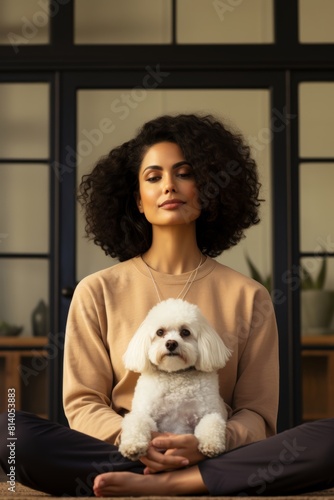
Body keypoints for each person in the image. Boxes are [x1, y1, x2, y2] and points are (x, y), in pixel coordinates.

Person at [0, 113, 333, 497]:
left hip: (214, 452)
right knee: (11, 432)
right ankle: (188, 482)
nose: (169, 186)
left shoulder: (249, 295)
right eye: (153, 177)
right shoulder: (97, 290)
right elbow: (83, 403)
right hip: (123, 449)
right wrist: (142, 443)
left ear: (208, 189)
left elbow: (257, 414)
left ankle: (178, 482)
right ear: (138, 201)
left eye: (185, 173)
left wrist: (213, 442)